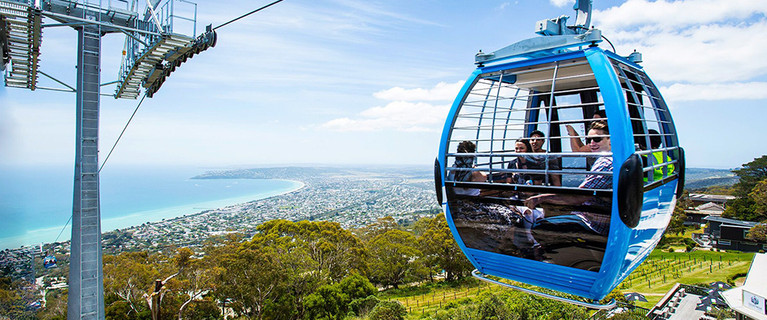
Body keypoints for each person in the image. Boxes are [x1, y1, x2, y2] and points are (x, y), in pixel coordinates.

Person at [524, 121, 612, 235]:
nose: (592, 143)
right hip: (589, 213)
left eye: (597, 139)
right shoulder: (605, 159)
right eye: (589, 140)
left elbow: (578, 197)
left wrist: (540, 198)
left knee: (539, 228)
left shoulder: (605, 163)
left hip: (593, 221)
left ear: (610, 140)